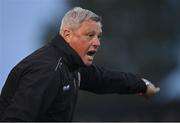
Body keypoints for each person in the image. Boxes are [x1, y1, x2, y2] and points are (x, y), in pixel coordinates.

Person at [0, 7, 160, 121]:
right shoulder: (48, 70)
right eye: (90, 35)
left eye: (99, 36)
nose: (97, 42)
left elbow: (105, 79)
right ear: (67, 35)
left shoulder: (71, 65)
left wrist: (141, 84)